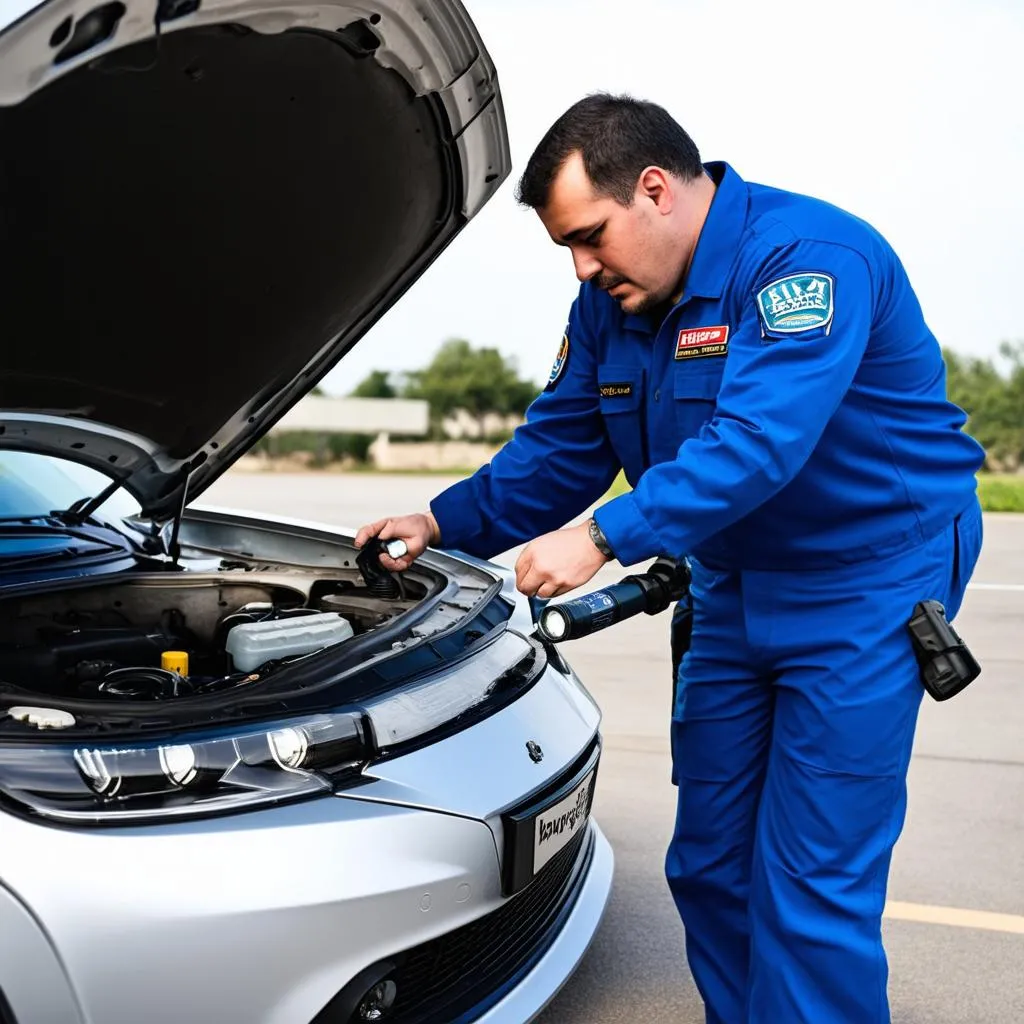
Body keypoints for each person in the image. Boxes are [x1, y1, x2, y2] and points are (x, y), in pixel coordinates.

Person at [354, 93, 985, 1023]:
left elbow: (758, 443)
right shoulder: (614, 299)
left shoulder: (808, 262)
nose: (581, 264)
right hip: (734, 583)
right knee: (712, 866)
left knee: (810, 884)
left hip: (867, 583)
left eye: (591, 235)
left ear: (655, 189)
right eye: (567, 246)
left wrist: (604, 536)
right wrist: (442, 522)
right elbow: (561, 447)